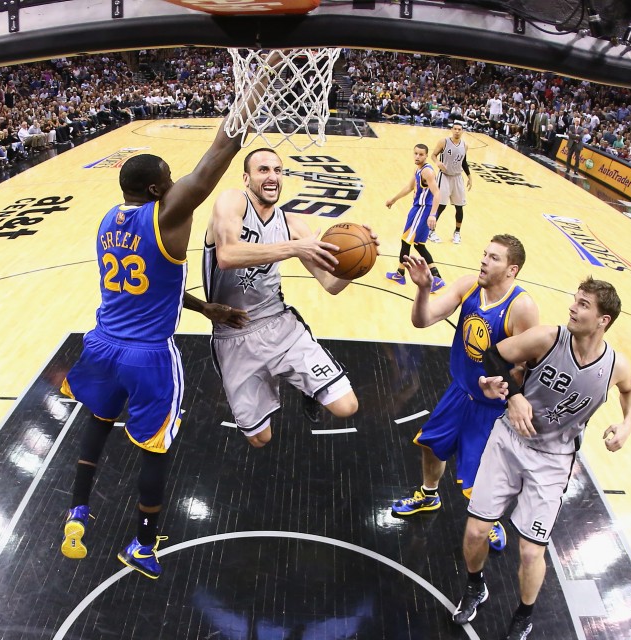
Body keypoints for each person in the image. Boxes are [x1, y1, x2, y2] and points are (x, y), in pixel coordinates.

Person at [59, 55, 279, 580]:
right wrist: (256, 85)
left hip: (102, 344)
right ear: (160, 190)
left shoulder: (108, 221)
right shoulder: (169, 214)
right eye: (169, 177)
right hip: (147, 356)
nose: (177, 180)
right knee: (155, 448)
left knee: (97, 421)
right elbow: (218, 155)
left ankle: (78, 510)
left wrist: (204, 306)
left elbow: (149, 287)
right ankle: (141, 544)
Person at [452, 278, 631, 640]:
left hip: (553, 460)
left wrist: (627, 424)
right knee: (475, 530)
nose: (573, 307)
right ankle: (475, 587)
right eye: (575, 299)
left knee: (530, 552)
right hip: (508, 443)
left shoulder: (615, 366)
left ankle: (524, 619)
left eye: (583, 304)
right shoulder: (548, 339)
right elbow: (493, 354)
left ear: (603, 320)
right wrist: (515, 396)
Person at [202, 148, 367, 446]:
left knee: (347, 406)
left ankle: (307, 387)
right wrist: (294, 248)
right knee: (260, 439)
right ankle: (284, 382)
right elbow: (227, 255)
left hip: (280, 325)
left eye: (278, 171)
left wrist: (360, 263)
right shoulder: (232, 201)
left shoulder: (293, 224)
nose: (272, 176)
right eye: (263, 170)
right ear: (246, 178)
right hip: (233, 334)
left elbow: (330, 284)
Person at [390, 237, 538, 551]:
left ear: (512, 269)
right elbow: (422, 320)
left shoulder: (522, 308)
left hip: (491, 408)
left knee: (485, 479)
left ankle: (492, 519)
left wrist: (507, 390)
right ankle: (429, 496)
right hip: (460, 392)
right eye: (484, 253)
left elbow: (528, 367)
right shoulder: (469, 286)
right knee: (431, 445)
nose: (484, 260)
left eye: (494, 258)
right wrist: (422, 290)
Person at [385, 143, 444, 291]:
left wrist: (432, 215)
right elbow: (409, 187)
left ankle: (400, 274)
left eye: (421, 154)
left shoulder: (427, 172)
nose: (417, 157)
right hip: (419, 209)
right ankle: (436, 278)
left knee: (406, 241)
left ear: (426, 155)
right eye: (415, 153)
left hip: (422, 210)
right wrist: (394, 199)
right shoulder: (418, 169)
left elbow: (437, 193)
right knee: (418, 244)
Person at [430, 122, 472, 245]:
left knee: (459, 207)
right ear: (451, 130)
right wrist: (437, 162)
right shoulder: (444, 142)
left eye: (459, 129)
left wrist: (469, 176)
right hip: (444, 177)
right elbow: (433, 155)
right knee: (440, 206)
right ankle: (431, 231)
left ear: (462, 131)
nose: (457, 131)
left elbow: (464, 162)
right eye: (455, 129)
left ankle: (457, 232)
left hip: (457, 178)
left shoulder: (465, 145)